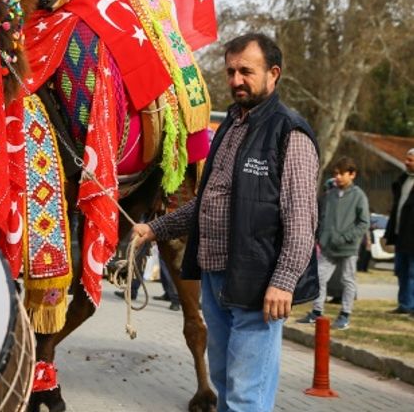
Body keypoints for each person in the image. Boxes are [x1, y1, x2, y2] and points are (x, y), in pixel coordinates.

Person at [131, 33, 319, 412]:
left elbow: (301, 220)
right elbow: (207, 202)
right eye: (231, 71)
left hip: (258, 283)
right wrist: (156, 228)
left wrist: (283, 282)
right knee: (223, 379)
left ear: (273, 74)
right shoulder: (231, 127)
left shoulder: (290, 132)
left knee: (247, 393)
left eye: (247, 71)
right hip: (214, 278)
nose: (236, 80)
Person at [297, 157, 369, 329]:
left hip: (348, 249)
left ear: (352, 174)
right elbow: (322, 218)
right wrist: (321, 238)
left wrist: (345, 238)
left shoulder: (359, 196)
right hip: (328, 248)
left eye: (342, 173)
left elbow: (363, 223)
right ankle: (316, 312)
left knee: (348, 281)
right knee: (320, 278)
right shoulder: (330, 195)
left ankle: (345, 314)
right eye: (336, 173)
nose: (338, 177)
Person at [385, 148, 414, 316]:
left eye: (410, 160)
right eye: (406, 158)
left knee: (412, 273)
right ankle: (404, 304)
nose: (406, 162)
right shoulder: (402, 181)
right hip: (400, 236)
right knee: (401, 271)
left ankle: (411, 306)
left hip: (412, 238)